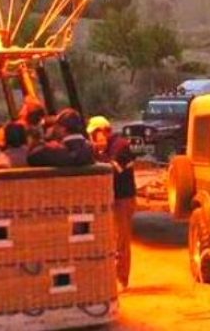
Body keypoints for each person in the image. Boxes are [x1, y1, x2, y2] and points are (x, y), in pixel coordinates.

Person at [87, 116, 136, 291]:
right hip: (112, 198)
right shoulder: (106, 148)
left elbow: (111, 170)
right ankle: (113, 276)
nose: (93, 139)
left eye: (94, 134)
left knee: (121, 239)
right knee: (111, 238)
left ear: (101, 132)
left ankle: (122, 279)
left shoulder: (120, 146)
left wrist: (98, 153)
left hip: (123, 198)